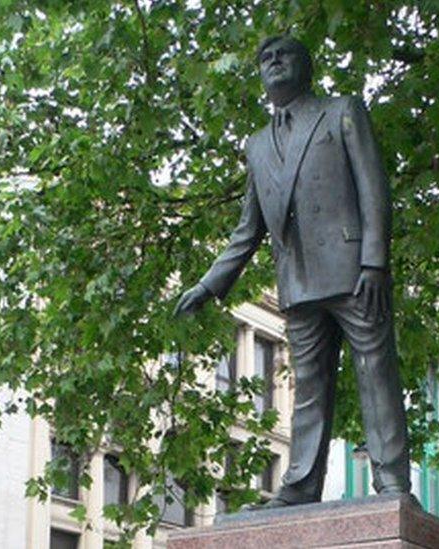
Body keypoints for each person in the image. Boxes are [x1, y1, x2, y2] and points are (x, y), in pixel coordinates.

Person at [175, 35, 410, 507]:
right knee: (309, 387)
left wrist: (374, 262)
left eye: (285, 55)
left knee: (376, 374)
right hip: (298, 283)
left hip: (353, 273)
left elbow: (373, 188)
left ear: (307, 65)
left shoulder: (341, 110)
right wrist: (209, 284)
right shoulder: (257, 144)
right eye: (266, 58)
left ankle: (393, 486)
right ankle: (301, 486)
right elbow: (249, 228)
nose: (275, 62)